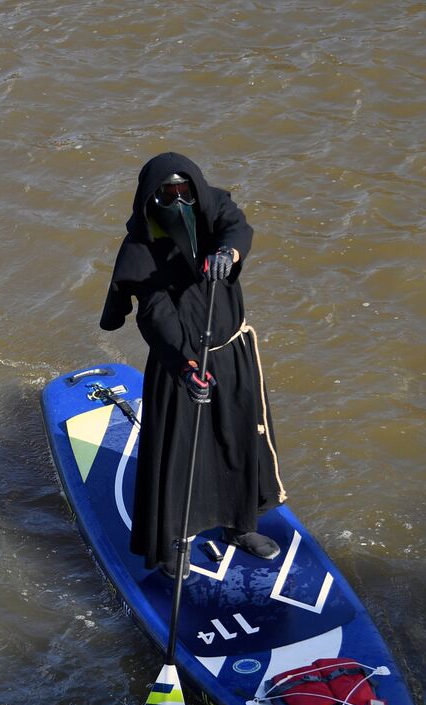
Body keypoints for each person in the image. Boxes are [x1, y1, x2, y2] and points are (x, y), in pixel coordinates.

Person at [100, 152, 286, 578]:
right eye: (168, 193)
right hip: (180, 367)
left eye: (185, 190)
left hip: (233, 355)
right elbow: (155, 315)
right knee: (180, 455)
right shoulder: (141, 248)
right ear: (151, 197)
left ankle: (240, 526)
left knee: (237, 439)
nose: (179, 199)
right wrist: (186, 366)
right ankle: (174, 544)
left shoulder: (214, 209)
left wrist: (229, 252)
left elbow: (238, 226)